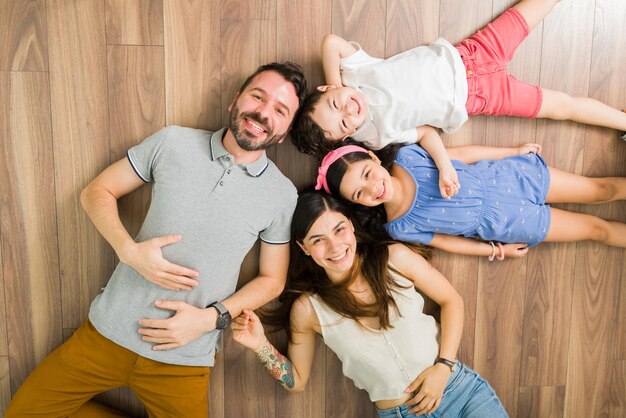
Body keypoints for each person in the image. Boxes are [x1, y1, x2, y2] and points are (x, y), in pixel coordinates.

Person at [6, 62, 307, 417]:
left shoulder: (281, 195)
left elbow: (272, 280)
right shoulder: (173, 141)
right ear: (235, 100)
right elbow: (96, 192)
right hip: (106, 335)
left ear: (285, 131)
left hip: (183, 357)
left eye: (280, 110)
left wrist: (210, 319)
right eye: (258, 96)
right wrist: (128, 251)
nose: (263, 112)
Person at [232, 191, 509, 417]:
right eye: (318, 240)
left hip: (459, 391)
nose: (335, 246)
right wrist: (260, 345)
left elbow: (452, 300)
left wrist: (444, 366)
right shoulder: (307, 310)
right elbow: (298, 382)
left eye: (339, 229)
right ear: (303, 248)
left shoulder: (394, 258)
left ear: (351, 226)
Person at [291, 0, 626, 157]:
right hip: (481, 98)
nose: (350, 112)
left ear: (328, 88)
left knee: (533, 10)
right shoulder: (374, 136)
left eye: (336, 103)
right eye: (345, 125)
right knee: (561, 107)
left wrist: (337, 82)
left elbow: (331, 42)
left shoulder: (354, 74)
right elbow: (423, 132)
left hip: (472, 54)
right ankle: (621, 122)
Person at [314, 143, 626, 259]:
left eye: (368, 174)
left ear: (373, 157)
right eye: (359, 194)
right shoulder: (399, 227)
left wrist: (510, 151)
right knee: (594, 230)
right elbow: (447, 242)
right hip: (507, 224)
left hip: (510, 177)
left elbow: (463, 154)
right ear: (358, 204)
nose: (373, 190)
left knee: (600, 190)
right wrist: (493, 249)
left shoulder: (407, 157)